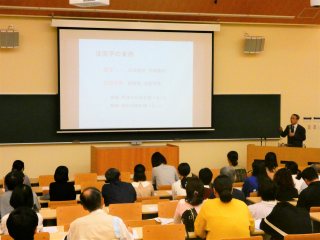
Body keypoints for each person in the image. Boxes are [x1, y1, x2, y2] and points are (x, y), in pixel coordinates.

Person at [195, 175, 254, 240]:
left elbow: (199, 232)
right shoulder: (242, 205)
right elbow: (251, 230)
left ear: (214, 191)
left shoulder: (207, 205)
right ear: (232, 189)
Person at [67, 187, 133, 240]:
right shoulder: (116, 221)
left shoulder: (75, 225)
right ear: (102, 201)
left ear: (84, 207)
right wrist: (130, 233)